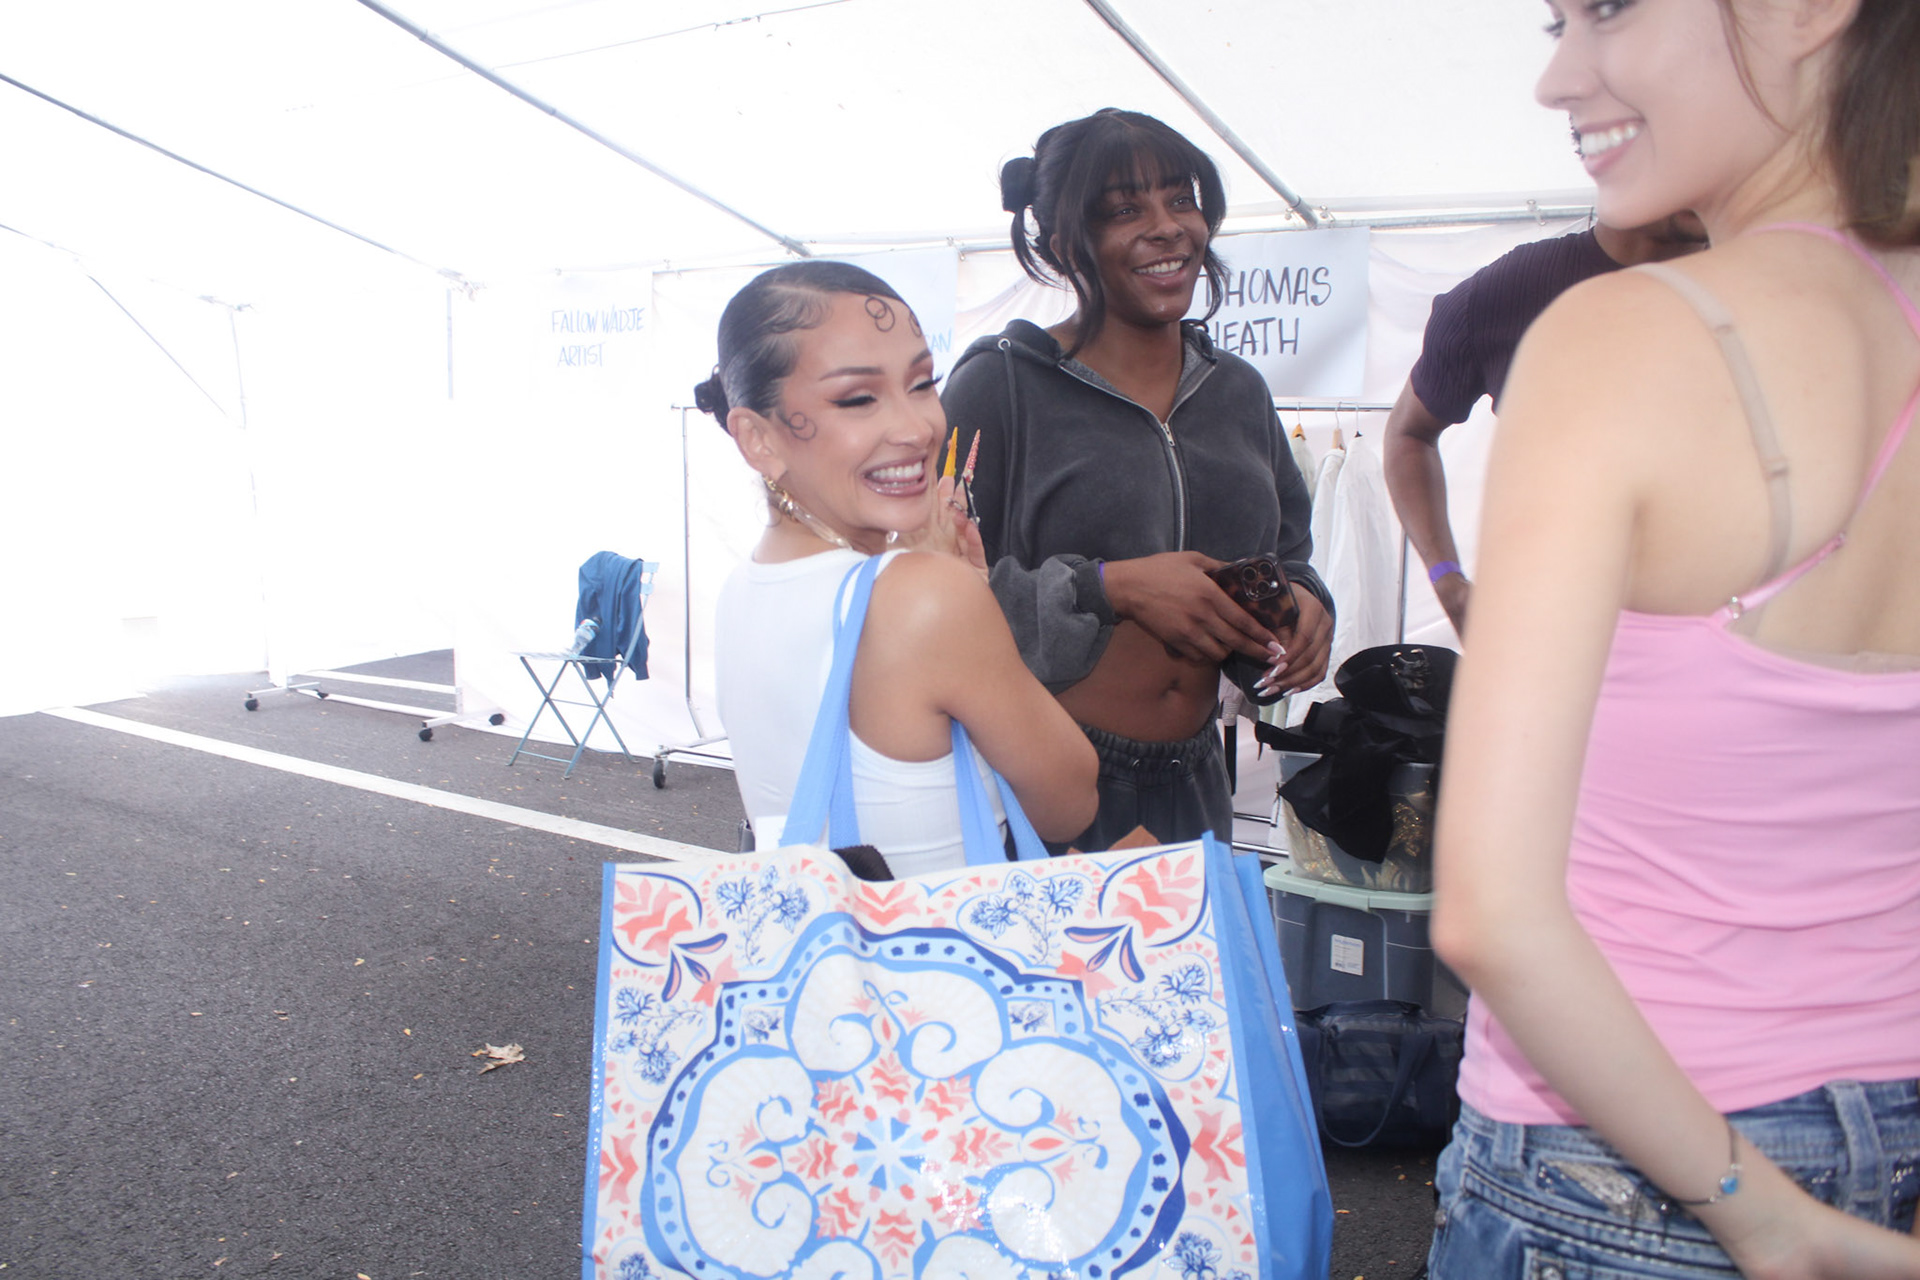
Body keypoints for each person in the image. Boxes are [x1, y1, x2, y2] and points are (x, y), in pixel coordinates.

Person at [1429, 0, 1920, 1276]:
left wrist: (1760, 1213)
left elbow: (1491, 913)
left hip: (1628, 1174)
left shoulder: (1621, 339)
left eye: (1608, 10)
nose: (1556, 77)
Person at [942, 108, 1333, 852]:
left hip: (1198, 779)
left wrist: (1307, 606)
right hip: (1048, 779)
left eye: (1181, 199)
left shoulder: (1239, 392)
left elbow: (1290, 552)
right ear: (1067, 242)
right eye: (1125, 210)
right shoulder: (1001, 387)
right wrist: (1108, 587)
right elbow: (924, 598)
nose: (1167, 228)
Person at [699, 261, 1097, 877]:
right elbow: (1069, 804)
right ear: (758, 438)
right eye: (858, 399)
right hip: (948, 937)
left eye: (921, 383)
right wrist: (968, 596)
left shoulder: (740, 589)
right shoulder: (924, 596)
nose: (917, 428)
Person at [1384, 215, 1706, 635]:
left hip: (1732, 641)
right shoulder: (1508, 294)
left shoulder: (1767, 294)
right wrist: (1447, 579)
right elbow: (1409, 433)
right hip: (1552, 638)